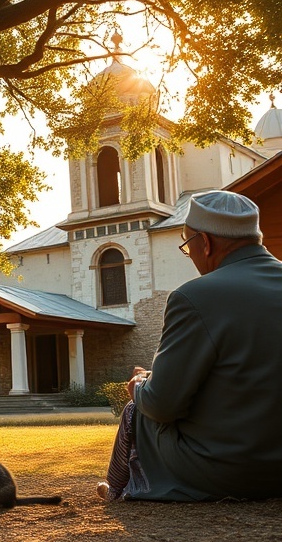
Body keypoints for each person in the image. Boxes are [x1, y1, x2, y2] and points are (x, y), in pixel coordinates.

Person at [97, 190, 282, 502]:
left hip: (226, 471)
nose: (191, 256)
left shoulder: (194, 297)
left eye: (187, 246)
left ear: (205, 242)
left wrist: (140, 386)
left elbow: (163, 405)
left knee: (136, 410)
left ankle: (118, 489)